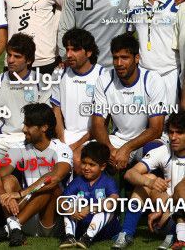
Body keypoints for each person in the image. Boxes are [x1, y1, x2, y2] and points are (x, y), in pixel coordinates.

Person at [0, 103, 72, 246]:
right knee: (8, 180)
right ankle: (14, 228)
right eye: (24, 124)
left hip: (50, 220)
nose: (23, 129)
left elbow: (55, 177)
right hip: (26, 216)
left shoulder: (62, 149)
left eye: (28, 125)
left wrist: (21, 193)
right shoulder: (19, 148)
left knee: (49, 185)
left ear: (44, 128)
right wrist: (3, 194)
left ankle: (13, 226)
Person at [91, 33, 166, 171]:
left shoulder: (153, 80)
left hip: (146, 140)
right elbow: (97, 123)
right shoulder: (104, 80)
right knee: (89, 156)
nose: (119, 63)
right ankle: (107, 192)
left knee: (155, 150)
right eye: (115, 58)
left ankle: (148, 190)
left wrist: (127, 148)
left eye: (124, 58)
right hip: (117, 140)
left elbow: (156, 129)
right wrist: (110, 150)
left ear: (137, 58)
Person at [113, 111, 185, 249]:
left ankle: (175, 235)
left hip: (176, 210)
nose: (173, 137)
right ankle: (126, 233)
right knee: (145, 179)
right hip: (166, 213)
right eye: (171, 132)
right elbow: (130, 174)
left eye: (179, 133)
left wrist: (165, 208)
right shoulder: (165, 150)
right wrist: (150, 182)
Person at [0, 33, 50, 162]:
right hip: (4, 140)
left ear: (29, 60)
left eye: (17, 56)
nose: (10, 60)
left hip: (30, 140)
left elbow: (45, 119)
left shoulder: (41, 81)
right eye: (9, 55)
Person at [128, 0, 180, 106]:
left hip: (170, 74)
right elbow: (128, 34)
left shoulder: (179, 2)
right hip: (144, 75)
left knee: (168, 125)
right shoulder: (134, 3)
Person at [51, 28, 104, 173]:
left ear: (88, 52)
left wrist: (76, 145)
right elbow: (56, 110)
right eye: (67, 49)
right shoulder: (59, 73)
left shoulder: (102, 75)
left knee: (77, 159)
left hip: (91, 137)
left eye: (75, 50)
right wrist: (62, 142)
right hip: (64, 136)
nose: (68, 54)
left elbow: (102, 121)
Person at [59, 142, 121, 249]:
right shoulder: (77, 181)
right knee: (69, 202)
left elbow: (113, 201)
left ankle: (88, 237)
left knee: (108, 206)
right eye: (84, 163)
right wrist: (71, 211)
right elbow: (61, 201)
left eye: (92, 165)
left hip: (105, 230)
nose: (86, 167)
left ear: (102, 167)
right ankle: (69, 236)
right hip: (81, 227)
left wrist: (89, 208)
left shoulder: (108, 181)